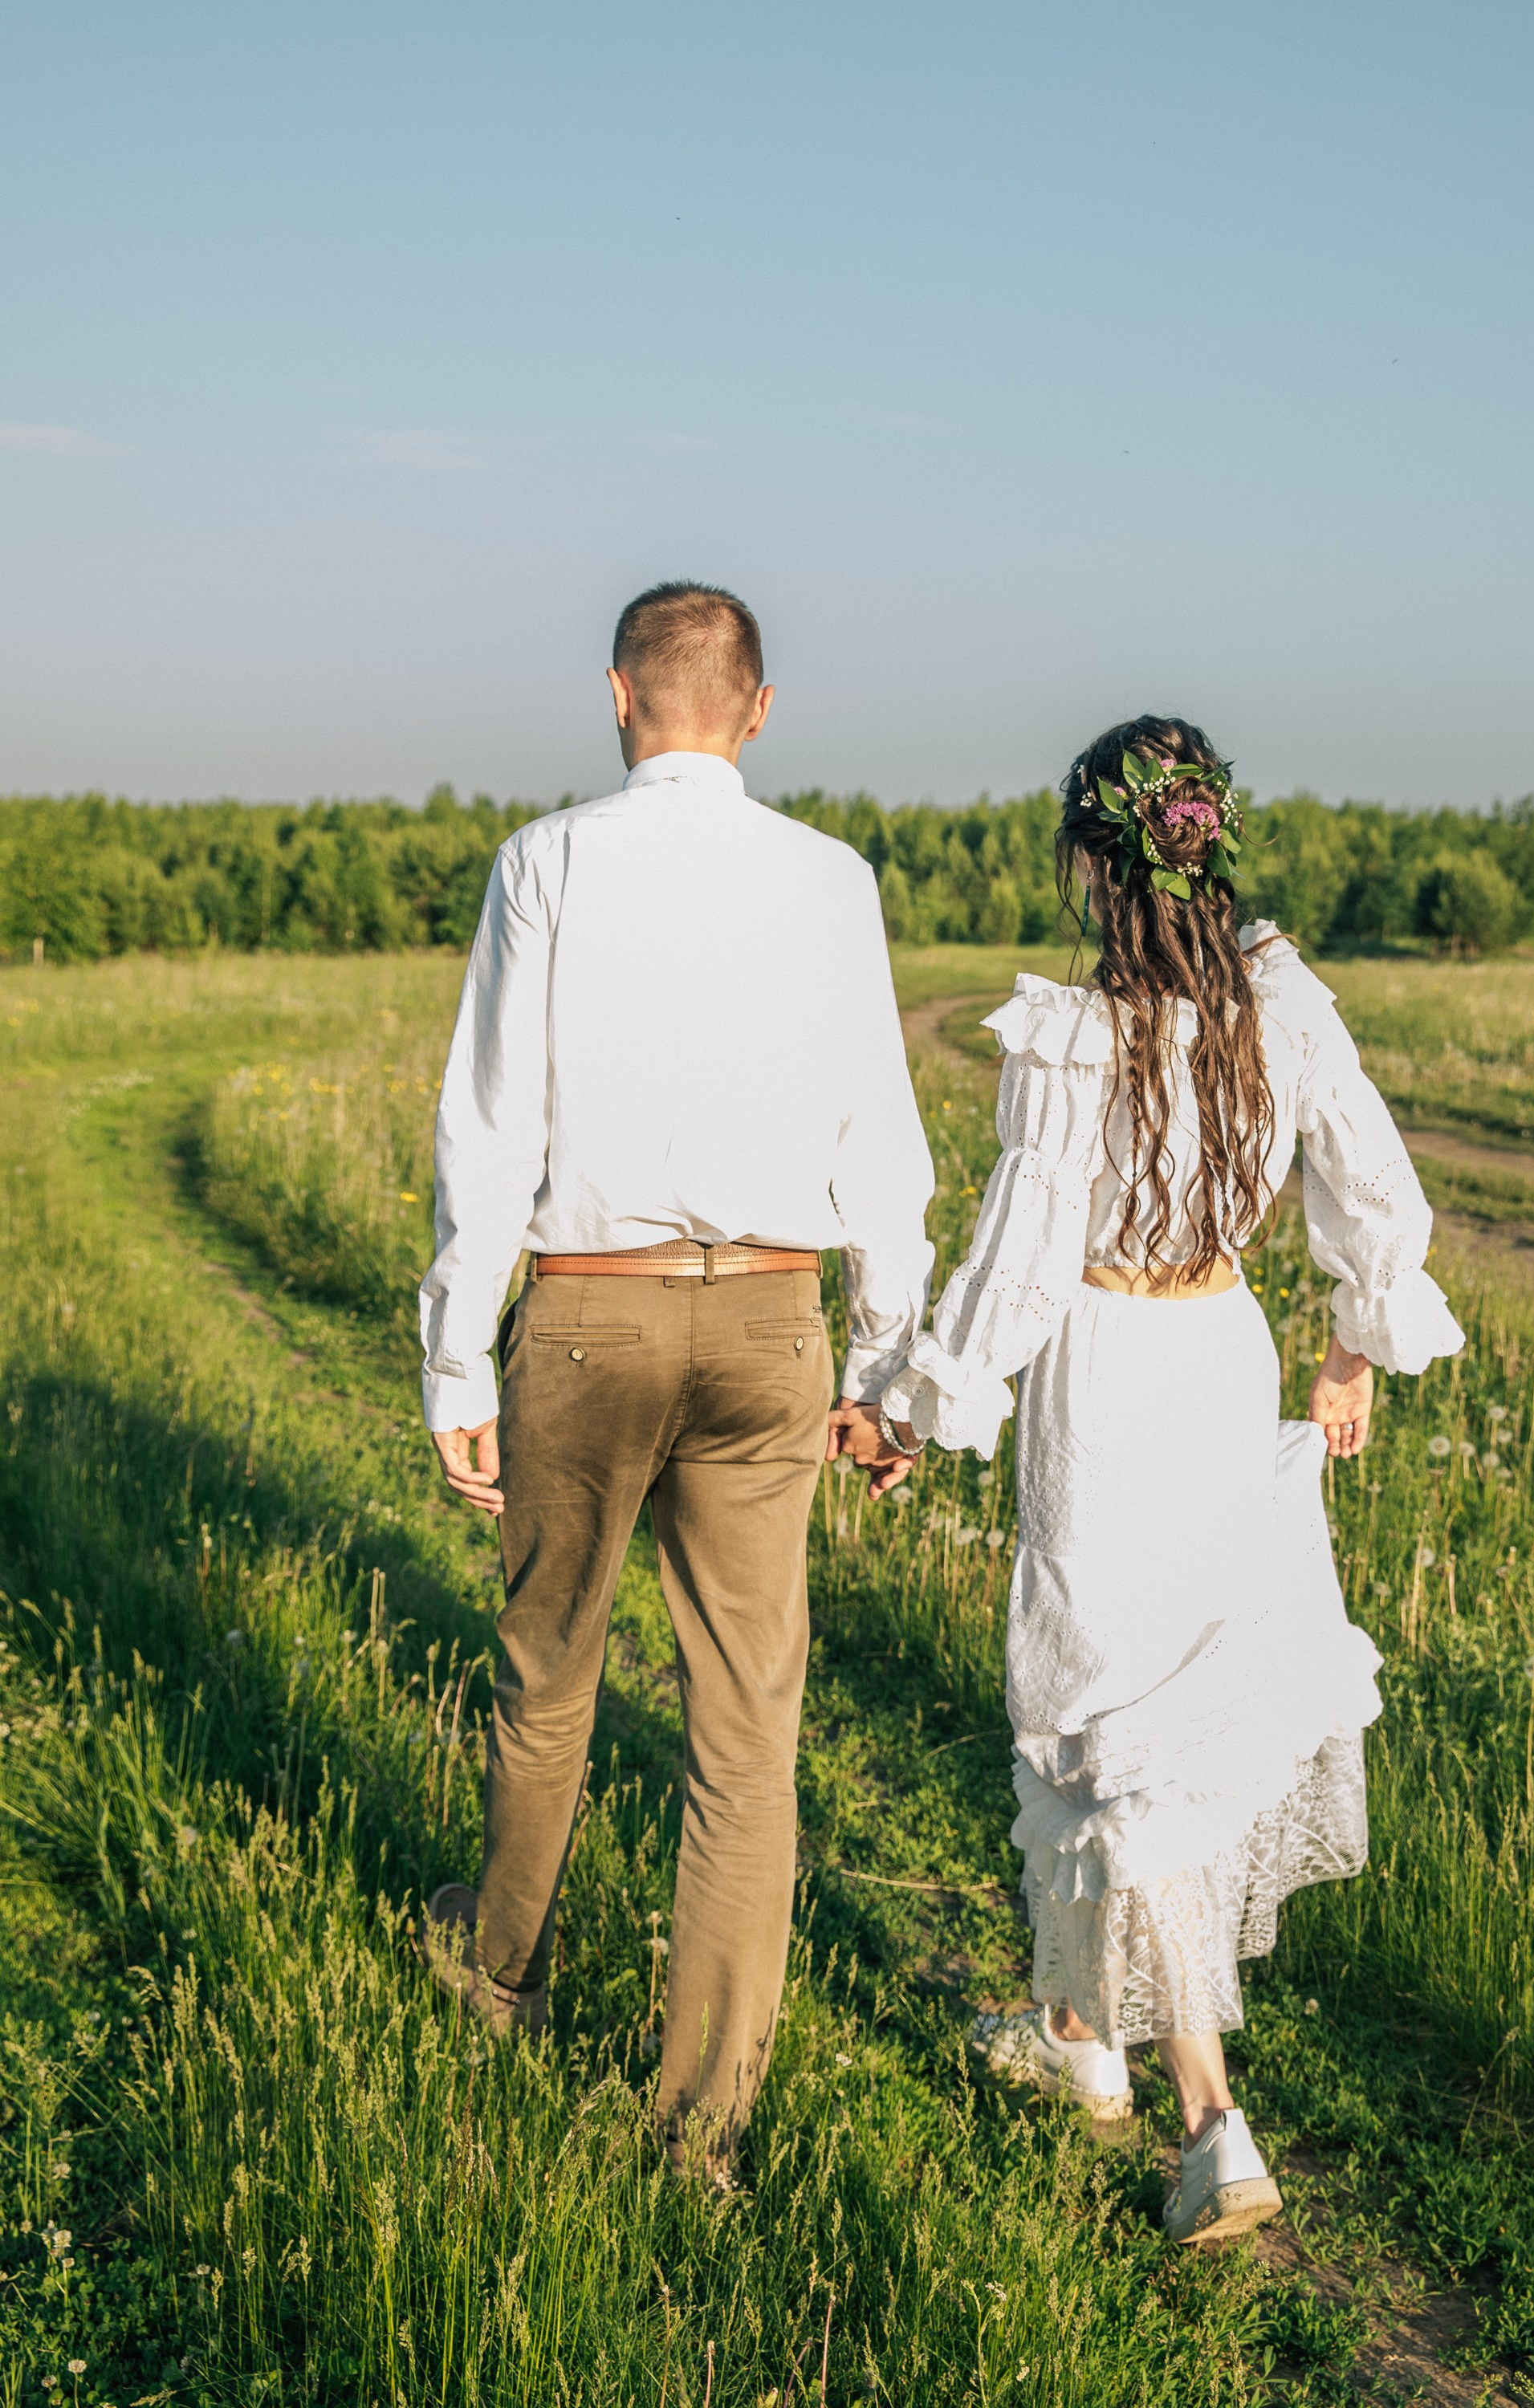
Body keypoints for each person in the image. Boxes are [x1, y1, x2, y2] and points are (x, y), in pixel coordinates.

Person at [833, 714, 1463, 2243]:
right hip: (1222, 1348)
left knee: (1112, 1727)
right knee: (1158, 1702)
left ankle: (1211, 2123)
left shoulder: (1081, 1037)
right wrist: (1351, 1349)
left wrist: (914, 1406)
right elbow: (1375, 1185)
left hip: (1108, 1372)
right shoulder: (1277, 1001)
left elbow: (1019, 1265)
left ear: (1090, 864)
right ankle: (1077, 2036)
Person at [417, 580, 934, 2180]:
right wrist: (892, 1365)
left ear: (617, 695)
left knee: (550, 1670)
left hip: (590, 1315)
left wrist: (455, 1355)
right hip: (774, 1319)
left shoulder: (547, 861)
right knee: (746, 1726)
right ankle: (703, 2122)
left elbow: (489, 1126)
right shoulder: (833, 879)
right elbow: (882, 1138)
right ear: (759, 710)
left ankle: (501, 1973)